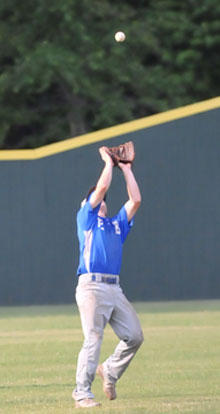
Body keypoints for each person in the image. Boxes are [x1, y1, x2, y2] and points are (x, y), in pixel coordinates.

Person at [72, 146, 144, 408]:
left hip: (114, 288)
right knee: (93, 338)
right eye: (94, 197)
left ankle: (110, 371)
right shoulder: (86, 218)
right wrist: (107, 162)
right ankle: (82, 392)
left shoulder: (116, 224)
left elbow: (135, 200)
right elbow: (101, 188)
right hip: (91, 286)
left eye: (101, 198)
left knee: (135, 335)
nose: (100, 198)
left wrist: (125, 169)